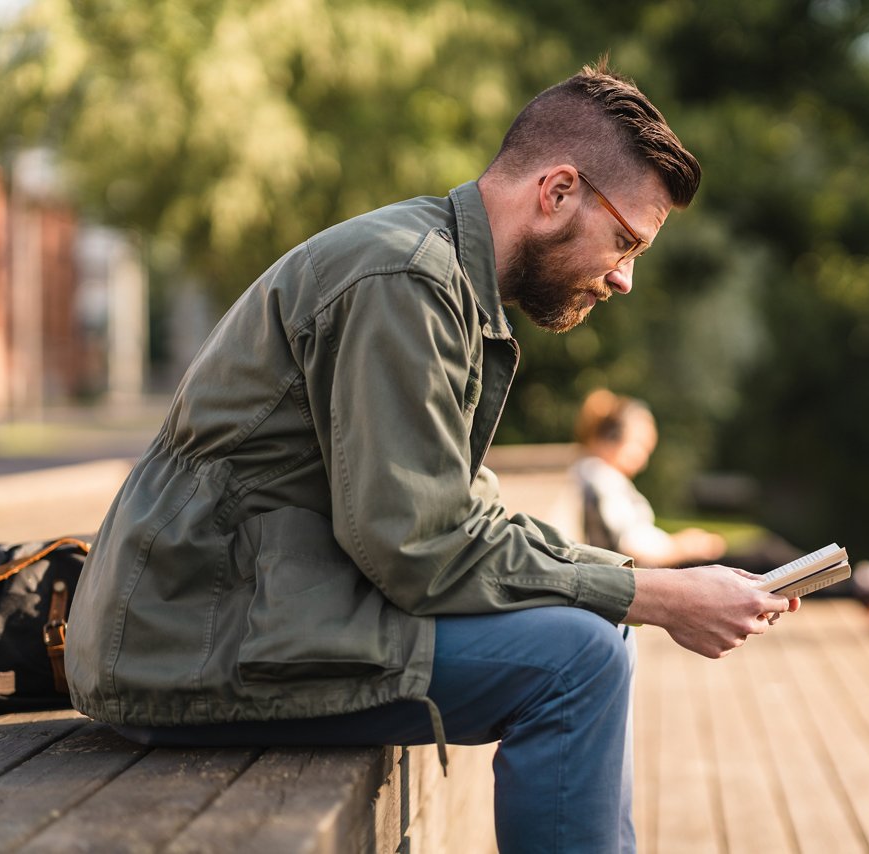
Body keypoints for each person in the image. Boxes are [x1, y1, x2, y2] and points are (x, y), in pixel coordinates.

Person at [66, 60, 797, 854]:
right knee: (577, 660)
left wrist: (638, 587)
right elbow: (417, 545)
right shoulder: (405, 279)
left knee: (596, 631)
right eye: (624, 241)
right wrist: (650, 595)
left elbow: (460, 517)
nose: (624, 278)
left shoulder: (439, 274)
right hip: (186, 643)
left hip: (240, 612)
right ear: (556, 193)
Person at [571, 389, 869, 626]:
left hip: (663, 570)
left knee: (766, 557)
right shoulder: (599, 476)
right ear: (611, 439)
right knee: (765, 559)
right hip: (663, 575)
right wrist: (684, 544)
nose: (644, 458)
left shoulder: (599, 474)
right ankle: (859, 586)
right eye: (640, 446)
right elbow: (629, 545)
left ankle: (858, 584)